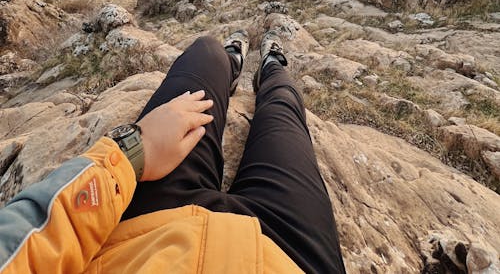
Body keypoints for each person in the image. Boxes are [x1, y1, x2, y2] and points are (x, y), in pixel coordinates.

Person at [0, 29, 346, 274]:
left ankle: (231, 63)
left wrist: (136, 150)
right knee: (283, 109)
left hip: (142, 234)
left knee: (205, 52)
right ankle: (272, 68)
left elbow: (27, 243)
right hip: (292, 255)